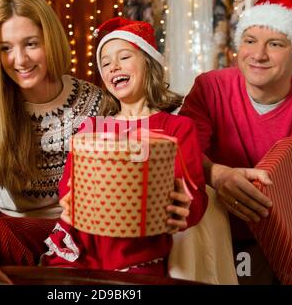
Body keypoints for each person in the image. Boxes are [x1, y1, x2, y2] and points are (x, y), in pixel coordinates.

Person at [40, 17, 208, 276]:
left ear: (149, 63)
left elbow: (193, 195)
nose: (113, 66)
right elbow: (67, 187)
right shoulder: (92, 128)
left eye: (124, 57)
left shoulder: (177, 127)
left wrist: (182, 208)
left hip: (139, 251)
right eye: (105, 63)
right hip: (81, 247)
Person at [179, 0, 292, 284]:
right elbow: (181, 150)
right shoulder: (210, 87)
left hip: (284, 248)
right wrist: (216, 174)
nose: (258, 55)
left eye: (275, 44)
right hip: (211, 237)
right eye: (250, 40)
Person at [0, 0, 103, 283]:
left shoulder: (93, 101)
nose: (19, 60)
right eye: (5, 48)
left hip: (76, 233)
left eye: (31, 44)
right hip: (13, 236)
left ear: (50, 40)